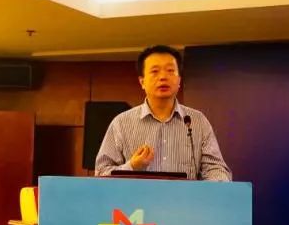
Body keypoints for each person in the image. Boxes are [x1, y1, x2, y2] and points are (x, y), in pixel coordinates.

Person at [94, 45, 232, 181]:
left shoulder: (197, 121)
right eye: (155, 71)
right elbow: (101, 173)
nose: (163, 77)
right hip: (137, 197)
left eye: (170, 71)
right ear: (142, 82)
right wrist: (132, 166)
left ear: (179, 80)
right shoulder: (121, 123)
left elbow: (215, 168)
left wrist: (218, 182)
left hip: (185, 197)